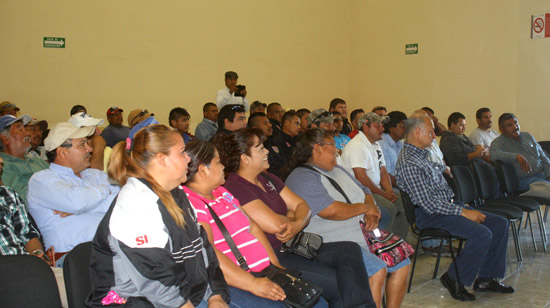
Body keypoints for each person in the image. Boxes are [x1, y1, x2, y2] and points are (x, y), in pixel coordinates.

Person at [215, 128, 376, 308]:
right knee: (337, 282)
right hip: (275, 255)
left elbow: (303, 206)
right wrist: (293, 216)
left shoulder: (268, 178)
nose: (267, 151)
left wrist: (296, 221)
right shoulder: (236, 188)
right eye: (260, 148)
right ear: (245, 158)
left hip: (295, 244)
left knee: (349, 250)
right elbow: (276, 225)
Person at [86, 125, 229, 307]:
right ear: (162, 159)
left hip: (185, 297)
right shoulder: (135, 204)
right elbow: (157, 282)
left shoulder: (176, 192)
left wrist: (215, 295)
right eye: (182, 152)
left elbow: (202, 248)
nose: (188, 159)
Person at [183, 141, 327, 308]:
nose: (223, 166)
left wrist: (275, 265)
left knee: (317, 302)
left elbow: (252, 227)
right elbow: (208, 251)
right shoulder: (191, 203)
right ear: (202, 170)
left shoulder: (222, 192)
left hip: (263, 271)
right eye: (218, 162)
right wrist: (252, 283)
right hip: (238, 280)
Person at [285, 128, 409, 308]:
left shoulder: (337, 169)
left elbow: (365, 190)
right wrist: (365, 208)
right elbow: (330, 210)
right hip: (334, 242)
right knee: (377, 269)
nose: (337, 150)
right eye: (332, 146)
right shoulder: (302, 177)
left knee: (402, 261)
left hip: (362, 235)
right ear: (317, 148)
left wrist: (372, 210)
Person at [395, 113, 513, 301]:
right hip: (431, 215)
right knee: (482, 233)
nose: (434, 135)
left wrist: (442, 168)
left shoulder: (421, 155)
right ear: (417, 132)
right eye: (431, 131)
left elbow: (433, 172)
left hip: (446, 208)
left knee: (499, 223)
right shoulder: (409, 162)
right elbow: (429, 204)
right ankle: (454, 278)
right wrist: (463, 211)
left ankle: (487, 279)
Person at [27, 121, 120, 266]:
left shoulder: (94, 175)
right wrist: (104, 191)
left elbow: (123, 203)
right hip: (74, 259)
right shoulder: (41, 180)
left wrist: (88, 206)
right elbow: (78, 202)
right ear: (62, 152)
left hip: (112, 251)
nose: (89, 149)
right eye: (82, 144)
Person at [0, 156, 68, 307]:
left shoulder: (7, 194)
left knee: (77, 288)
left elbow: (28, 234)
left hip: (25, 266)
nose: (0, 161)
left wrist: (37, 254)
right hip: (6, 273)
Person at [341, 113, 408, 239]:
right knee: (388, 209)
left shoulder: (375, 144)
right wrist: (384, 195)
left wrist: (389, 190)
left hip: (376, 189)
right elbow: (361, 178)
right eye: (377, 126)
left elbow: (383, 171)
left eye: (382, 125)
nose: (382, 129)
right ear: (365, 127)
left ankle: (398, 243)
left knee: (405, 202)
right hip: (360, 192)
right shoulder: (358, 145)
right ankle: (382, 246)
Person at [490, 113, 550, 191]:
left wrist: (549, 173)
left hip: (542, 174)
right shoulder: (499, 143)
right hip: (524, 180)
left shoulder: (527, 136)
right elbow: (493, 155)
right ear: (501, 129)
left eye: (516, 123)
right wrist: (516, 156)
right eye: (510, 125)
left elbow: (543, 156)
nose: (515, 127)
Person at [0, 114, 49, 205]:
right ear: (4, 138)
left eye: (25, 129)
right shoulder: (4, 166)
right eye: (20, 129)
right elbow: (21, 199)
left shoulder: (38, 162)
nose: (26, 134)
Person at [379, 111, 407, 187]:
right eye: (402, 126)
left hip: (399, 184)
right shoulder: (382, 144)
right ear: (391, 128)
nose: (405, 129)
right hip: (388, 186)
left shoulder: (400, 143)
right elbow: (386, 175)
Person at [271, 111, 301, 175]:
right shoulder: (277, 141)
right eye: (296, 123)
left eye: (299, 124)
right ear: (286, 123)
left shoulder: (298, 139)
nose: (299, 127)